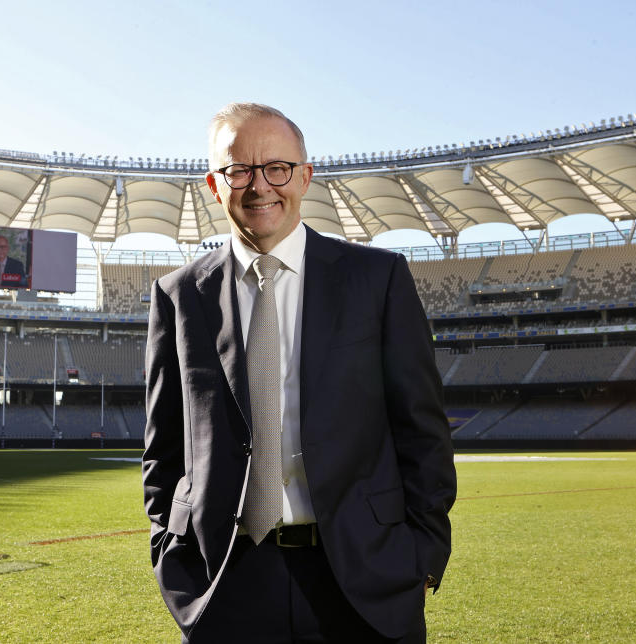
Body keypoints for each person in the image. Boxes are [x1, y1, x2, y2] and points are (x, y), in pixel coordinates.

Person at [142, 103, 456, 643]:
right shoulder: (178, 296)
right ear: (215, 186)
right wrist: (170, 553)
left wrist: (422, 554)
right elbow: (164, 448)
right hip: (227, 581)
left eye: (276, 168)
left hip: (363, 574)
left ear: (305, 177)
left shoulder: (377, 279)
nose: (259, 185)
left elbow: (422, 430)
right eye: (237, 170)